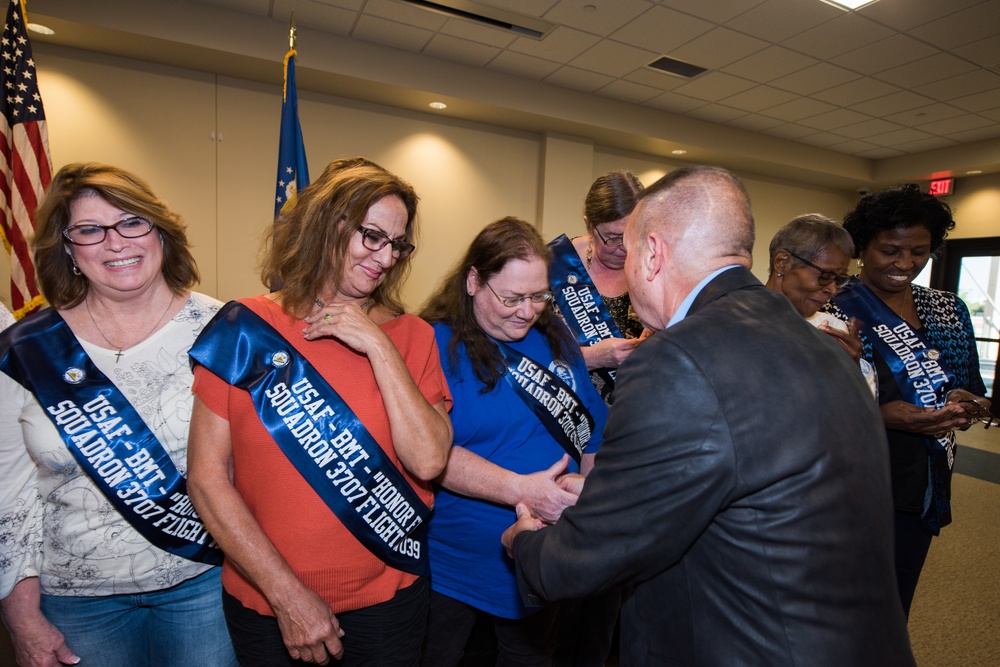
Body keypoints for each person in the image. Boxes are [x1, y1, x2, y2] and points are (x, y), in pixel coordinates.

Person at [502, 166, 914, 666]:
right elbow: (758, 482)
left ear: (653, 253)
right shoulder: (825, 348)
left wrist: (526, 546)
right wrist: (619, 492)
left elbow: (590, 559)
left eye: (629, 253)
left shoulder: (676, 357)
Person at [187, 162, 453, 667]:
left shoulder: (413, 336)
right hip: (269, 600)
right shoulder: (245, 327)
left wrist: (378, 345)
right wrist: (287, 597)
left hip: (389, 598)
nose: (386, 257)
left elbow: (428, 461)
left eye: (398, 245)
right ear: (323, 226)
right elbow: (206, 479)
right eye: (372, 236)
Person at [0, 163, 236, 667]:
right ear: (68, 248)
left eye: (132, 222)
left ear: (160, 231)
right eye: (90, 230)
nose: (115, 242)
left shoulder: (223, 329)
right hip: (74, 601)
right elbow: (9, 494)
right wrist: (20, 615)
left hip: (205, 584)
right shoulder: (25, 349)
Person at [419, 217, 608, 667]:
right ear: (473, 281)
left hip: (540, 556)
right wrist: (524, 491)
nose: (527, 311)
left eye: (538, 296)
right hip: (452, 564)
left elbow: (592, 434)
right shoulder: (430, 342)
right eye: (511, 298)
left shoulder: (555, 336)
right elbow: (430, 455)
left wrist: (588, 494)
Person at [827, 183, 990, 617]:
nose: (905, 263)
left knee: (893, 609)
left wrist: (964, 406)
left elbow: (974, 387)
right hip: (844, 486)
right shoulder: (831, 308)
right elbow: (797, 409)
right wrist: (880, 416)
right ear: (862, 247)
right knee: (834, 610)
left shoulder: (947, 309)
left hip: (920, 485)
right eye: (890, 250)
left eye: (919, 251)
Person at [548, 170, 645, 405]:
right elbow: (522, 358)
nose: (625, 248)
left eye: (634, 235)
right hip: (564, 413)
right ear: (589, 225)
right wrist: (592, 357)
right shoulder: (551, 265)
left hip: (633, 413)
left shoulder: (652, 269)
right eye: (613, 237)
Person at [765, 213, 877, 397]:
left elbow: (863, 416)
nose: (833, 290)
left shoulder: (834, 331)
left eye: (839, 279)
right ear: (783, 263)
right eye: (825, 276)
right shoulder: (738, 322)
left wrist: (851, 372)